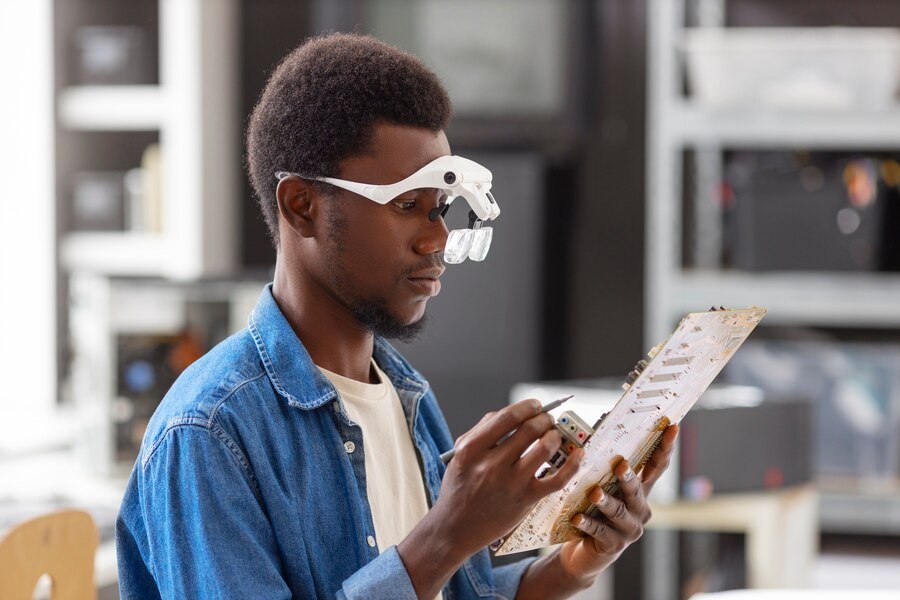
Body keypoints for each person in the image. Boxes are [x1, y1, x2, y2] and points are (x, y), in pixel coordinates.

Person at [116, 32, 678, 599]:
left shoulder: (407, 396)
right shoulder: (208, 435)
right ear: (302, 207)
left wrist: (576, 563)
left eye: (441, 209)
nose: (436, 237)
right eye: (408, 206)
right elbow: (431, 561)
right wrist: (446, 536)